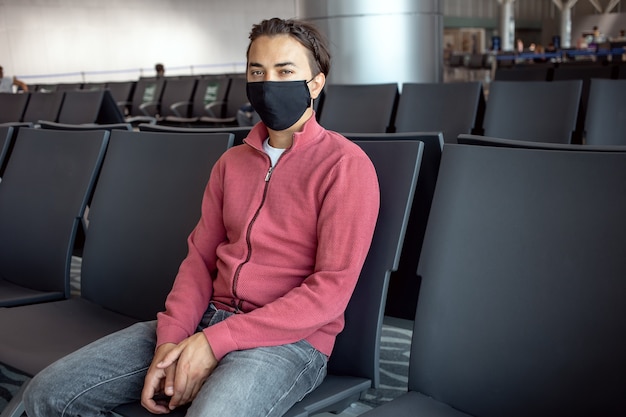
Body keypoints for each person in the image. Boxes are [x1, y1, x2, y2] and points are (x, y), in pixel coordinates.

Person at [23, 17, 380, 417]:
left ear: (315, 83)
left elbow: (328, 292)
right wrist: (171, 341)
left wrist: (215, 342)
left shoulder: (346, 167)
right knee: (47, 393)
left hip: (289, 342)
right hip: (206, 318)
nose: (269, 82)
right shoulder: (231, 163)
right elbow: (199, 261)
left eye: (285, 71)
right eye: (257, 71)